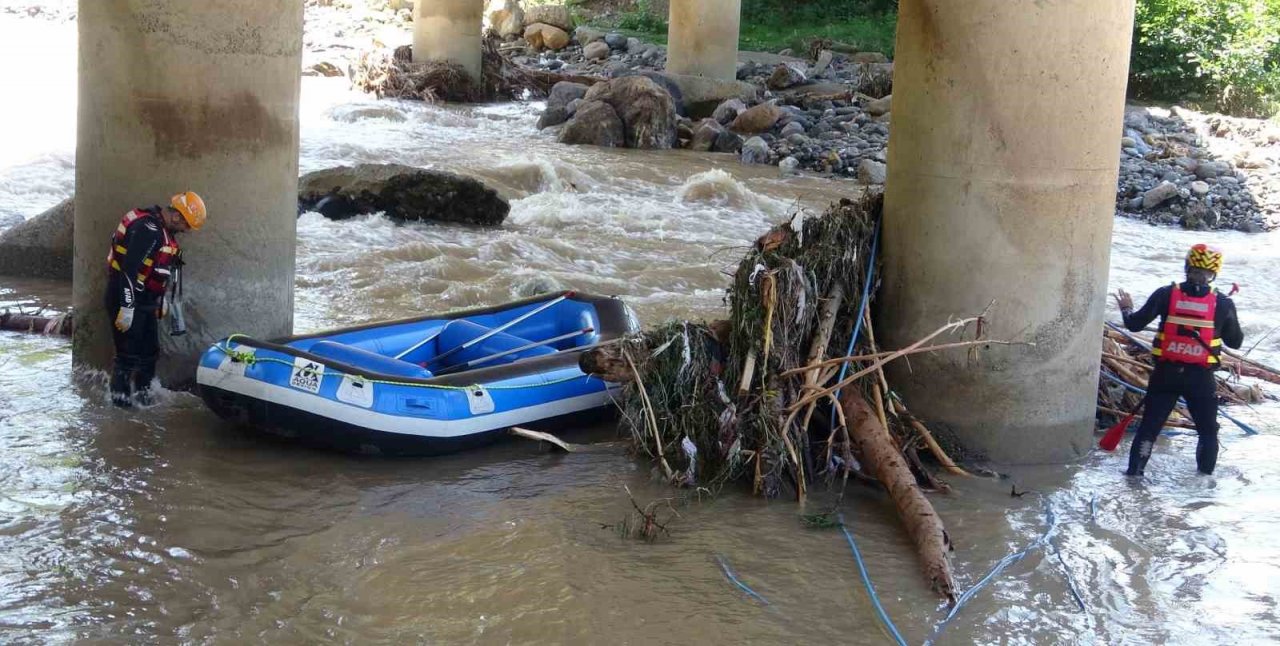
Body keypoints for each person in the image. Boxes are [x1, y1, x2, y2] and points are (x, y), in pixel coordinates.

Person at [1113, 243, 1244, 476]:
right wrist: (1224, 317)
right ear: (1214, 273)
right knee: (1207, 432)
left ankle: (1134, 478)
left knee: (1149, 430)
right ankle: (1204, 486)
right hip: (1200, 379)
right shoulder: (1223, 303)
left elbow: (1133, 324)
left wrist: (1126, 308)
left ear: (1187, 266)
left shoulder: (1165, 294)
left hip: (1165, 375)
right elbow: (1235, 342)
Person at [105, 192, 206, 407]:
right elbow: (129, 272)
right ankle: (120, 409)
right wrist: (127, 307)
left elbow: (153, 271)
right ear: (177, 217)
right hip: (126, 297)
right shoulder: (148, 230)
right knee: (127, 357)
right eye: (187, 225)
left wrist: (160, 302)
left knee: (149, 354)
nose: (186, 231)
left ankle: (144, 400)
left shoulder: (161, 230)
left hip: (145, 301)